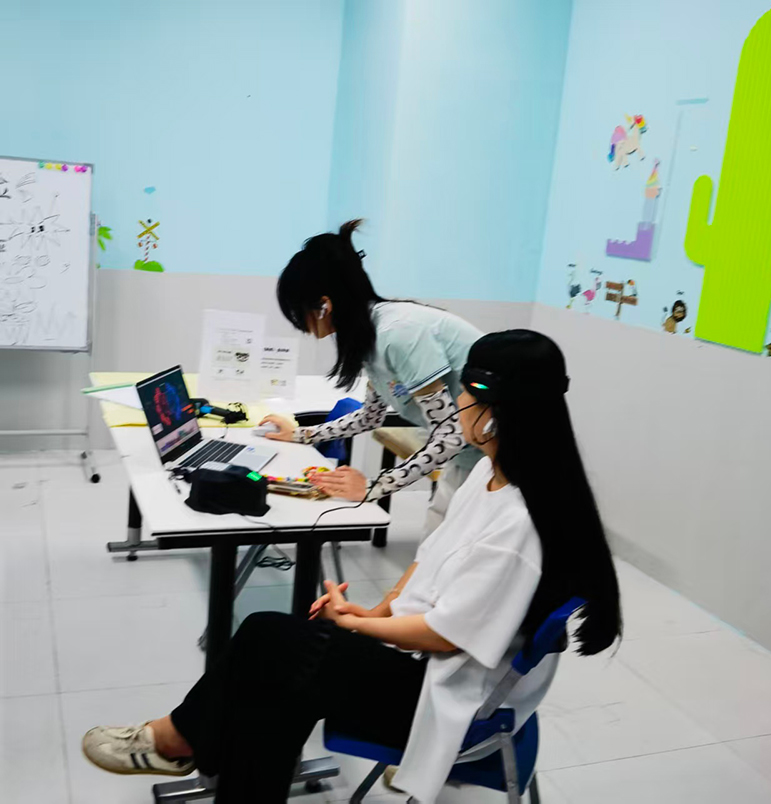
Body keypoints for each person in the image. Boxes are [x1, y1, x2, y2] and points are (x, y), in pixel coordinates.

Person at [82, 330, 622, 804]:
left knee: (271, 647)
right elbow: (431, 559)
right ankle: (185, 745)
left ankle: (176, 740)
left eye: (463, 392)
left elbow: (446, 635)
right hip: (427, 659)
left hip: (446, 693)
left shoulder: (521, 524)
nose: (455, 402)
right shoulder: (489, 474)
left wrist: (356, 625)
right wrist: (375, 610)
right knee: (273, 676)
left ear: (494, 411)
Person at [261, 219, 484, 535]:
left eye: (299, 313)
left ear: (324, 306)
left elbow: (450, 435)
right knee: (436, 543)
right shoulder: (367, 336)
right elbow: (370, 416)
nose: (302, 326)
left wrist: (373, 486)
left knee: (455, 547)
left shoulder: (399, 335)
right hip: (469, 454)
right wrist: (301, 434)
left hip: (507, 453)